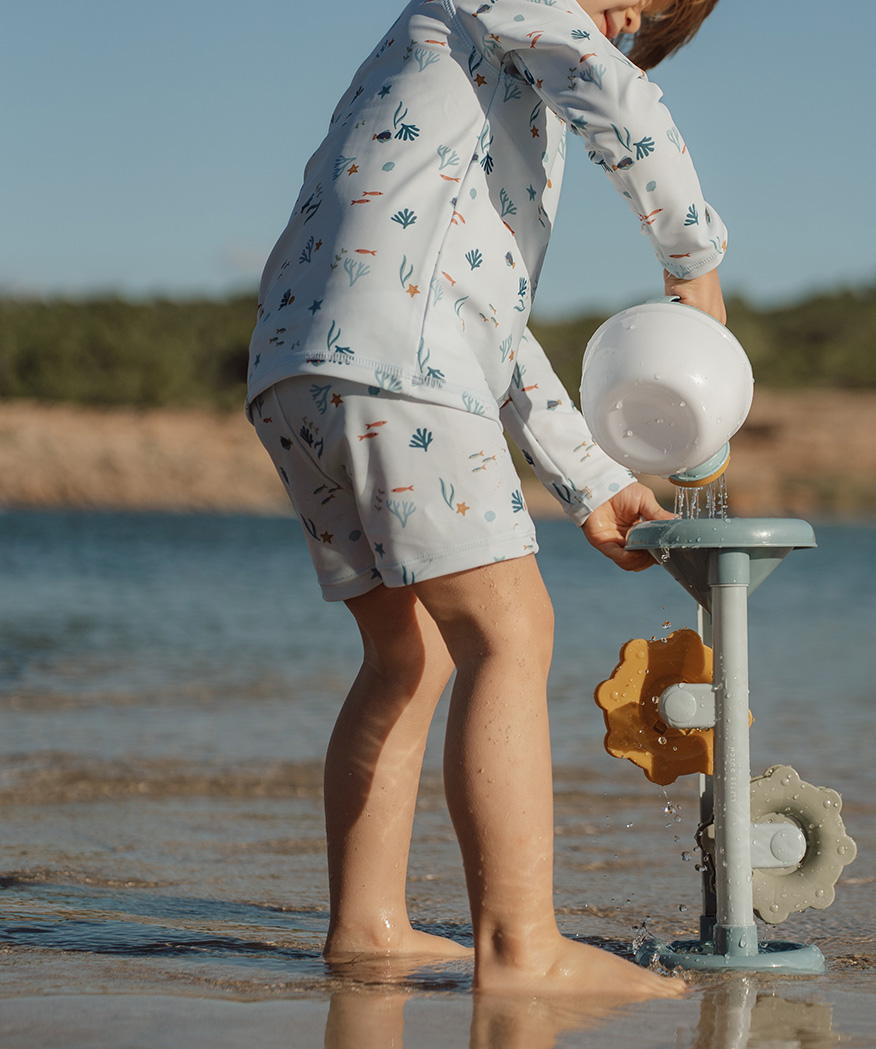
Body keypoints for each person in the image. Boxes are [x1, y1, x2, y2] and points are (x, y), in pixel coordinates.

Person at [247, 0, 726, 997]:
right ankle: (522, 948)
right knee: (510, 637)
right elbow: (621, 100)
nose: (615, 25)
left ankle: (367, 926)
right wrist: (695, 263)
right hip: (397, 361)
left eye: (637, 23)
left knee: (406, 656)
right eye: (620, 6)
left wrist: (593, 482)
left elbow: (484, 331)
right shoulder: (504, 3)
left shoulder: (462, 92)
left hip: (301, 371)